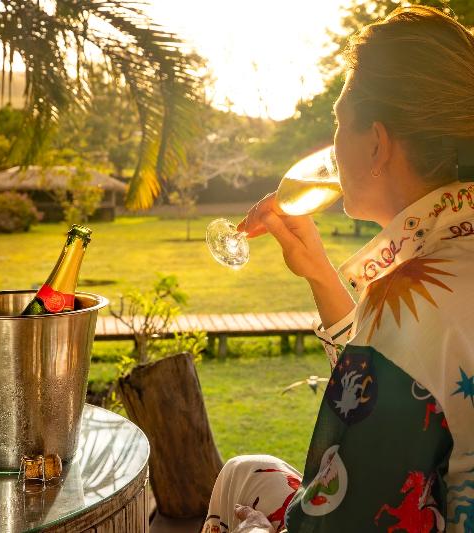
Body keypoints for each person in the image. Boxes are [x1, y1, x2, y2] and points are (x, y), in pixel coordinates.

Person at [203, 6, 474, 533]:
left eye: (337, 124)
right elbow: (394, 391)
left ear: (376, 143)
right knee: (244, 471)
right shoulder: (449, 259)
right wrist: (319, 274)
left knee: (236, 501)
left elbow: (348, 513)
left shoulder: (413, 298)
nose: (331, 146)